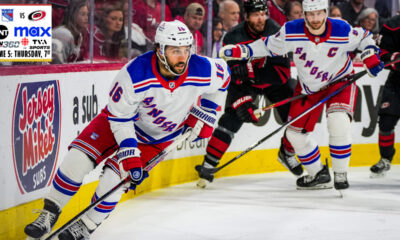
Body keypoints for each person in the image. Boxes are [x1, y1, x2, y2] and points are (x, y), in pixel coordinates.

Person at [24, 20, 230, 240]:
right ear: (160, 51)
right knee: (77, 159)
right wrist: (130, 151)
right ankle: (49, 214)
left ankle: (86, 226)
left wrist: (207, 114)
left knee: (115, 179)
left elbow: (224, 76)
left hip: (157, 138)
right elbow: (120, 117)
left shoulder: (201, 68)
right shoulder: (135, 73)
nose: (182, 57)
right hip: (118, 121)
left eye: (186, 50)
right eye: (175, 50)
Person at [219, 0, 384, 190]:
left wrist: (370, 54)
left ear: (326, 12)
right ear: (304, 14)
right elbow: (267, 46)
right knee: (294, 134)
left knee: (338, 122)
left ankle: (340, 174)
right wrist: (242, 50)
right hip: (309, 87)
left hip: (340, 81)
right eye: (310, 14)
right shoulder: (292, 30)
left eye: (319, 13)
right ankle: (318, 174)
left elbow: (365, 37)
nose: (315, 19)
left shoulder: (340, 28)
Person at [195, 0, 303, 187]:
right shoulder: (233, 37)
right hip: (244, 85)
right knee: (231, 119)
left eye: (263, 14)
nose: (261, 19)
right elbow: (233, 75)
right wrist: (242, 102)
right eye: (256, 15)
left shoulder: (276, 32)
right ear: (246, 17)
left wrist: (250, 70)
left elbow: (282, 74)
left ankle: (287, 153)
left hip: (273, 83)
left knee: (297, 115)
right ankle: (208, 165)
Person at [370, 15, 400, 177]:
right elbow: (381, 52)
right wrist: (394, 58)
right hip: (397, 83)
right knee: (386, 123)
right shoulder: (392, 26)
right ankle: (385, 159)